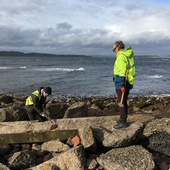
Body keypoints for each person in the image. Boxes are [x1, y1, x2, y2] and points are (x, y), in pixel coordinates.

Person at [112, 40, 136, 129]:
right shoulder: (127, 55)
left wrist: (122, 85)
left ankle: (122, 121)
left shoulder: (121, 57)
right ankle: (123, 119)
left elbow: (122, 72)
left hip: (122, 82)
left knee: (121, 102)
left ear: (117, 48)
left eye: (113, 48)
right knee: (124, 101)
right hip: (127, 81)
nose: (113, 50)